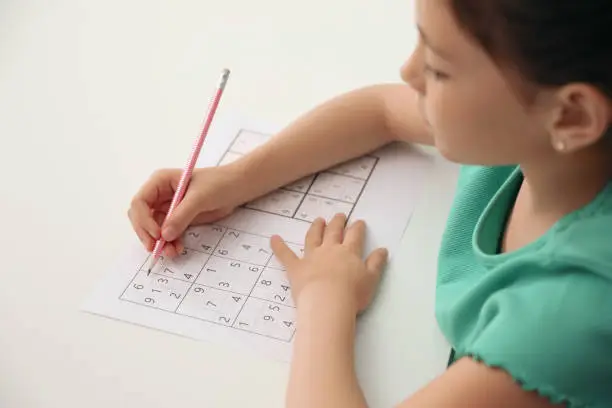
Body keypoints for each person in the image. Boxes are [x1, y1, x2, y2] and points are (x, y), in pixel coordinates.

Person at [128, 0, 612, 406]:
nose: (408, 71)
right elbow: (379, 109)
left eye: (439, 68)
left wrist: (324, 298)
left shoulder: (567, 316)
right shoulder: (542, 138)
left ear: (572, 115)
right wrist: (237, 178)